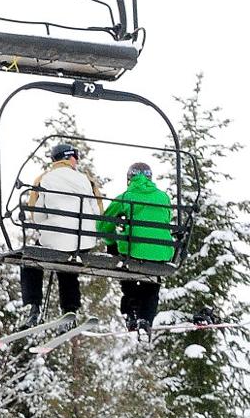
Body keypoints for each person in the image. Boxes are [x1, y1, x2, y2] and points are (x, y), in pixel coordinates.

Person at [19, 141, 104, 327]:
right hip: (84, 241)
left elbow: (37, 213)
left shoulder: (44, 179)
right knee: (68, 263)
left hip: (57, 238)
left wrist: (49, 226)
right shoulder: (86, 180)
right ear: (71, 158)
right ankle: (69, 310)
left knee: (31, 260)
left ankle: (33, 306)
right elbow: (97, 210)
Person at [96, 161, 176, 334]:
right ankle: (145, 319)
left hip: (133, 251)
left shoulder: (125, 197)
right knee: (151, 286)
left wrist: (111, 244)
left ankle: (131, 312)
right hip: (161, 252)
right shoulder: (163, 197)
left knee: (128, 276)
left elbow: (103, 225)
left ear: (129, 179)